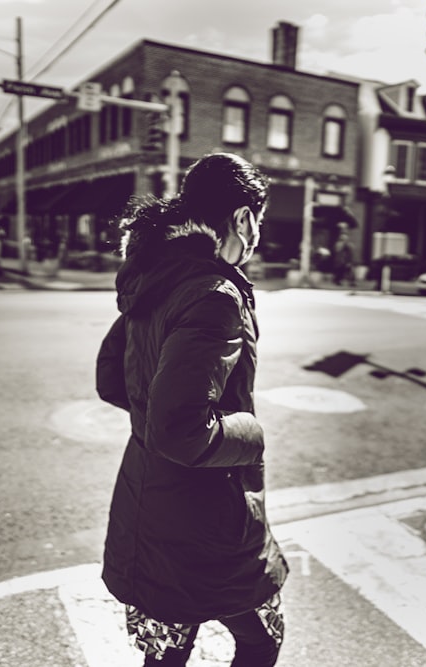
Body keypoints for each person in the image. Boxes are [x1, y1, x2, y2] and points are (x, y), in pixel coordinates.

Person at [95, 152, 288, 667]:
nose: (257, 238)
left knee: (165, 654)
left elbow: (111, 379)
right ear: (244, 219)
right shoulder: (215, 294)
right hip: (208, 519)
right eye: (259, 224)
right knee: (261, 639)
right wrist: (251, 432)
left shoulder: (155, 276)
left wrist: (148, 411)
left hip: (147, 505)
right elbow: (181, 429)